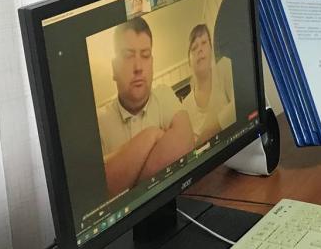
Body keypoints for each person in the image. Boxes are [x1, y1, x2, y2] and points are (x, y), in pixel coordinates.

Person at [97, 17, 197, 197]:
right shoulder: (99, 122)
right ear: (113, 68)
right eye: (128, 56)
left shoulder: (164, 94)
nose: (138, 67)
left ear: (152, 63)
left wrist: (127, 180)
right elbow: (103, 187)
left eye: (145, 55)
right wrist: (152, 135)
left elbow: (185, 142)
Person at [182, 23, 236, 142]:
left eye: (204, 42)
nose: (199, 49)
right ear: (189, 61)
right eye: (194, 48)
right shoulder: (185, 107)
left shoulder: (224, 67)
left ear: (211, 49)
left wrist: (209, 131)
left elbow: (240, 103)